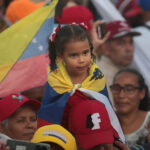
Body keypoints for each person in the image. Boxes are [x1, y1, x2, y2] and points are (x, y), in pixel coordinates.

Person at [37, 23, 125, 143]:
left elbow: (107, 113)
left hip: (95, 140)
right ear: (61, 57)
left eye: (85, 52)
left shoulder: (96, 78)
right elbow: (48, 118)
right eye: (74, 55)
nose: (81, 60)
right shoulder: (55, 82)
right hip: (64, 140)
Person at [91, 20, 141, 103]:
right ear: (105, 48)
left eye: (131, 42)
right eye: (121, 43)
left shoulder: (126, 69)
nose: (128, 49)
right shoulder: (101, 75)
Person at [110, 68, 150, 147]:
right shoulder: (103, 121)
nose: (121, 95)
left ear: (142, 93)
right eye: (117, 88)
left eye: (129, 89)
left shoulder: (148, 123)